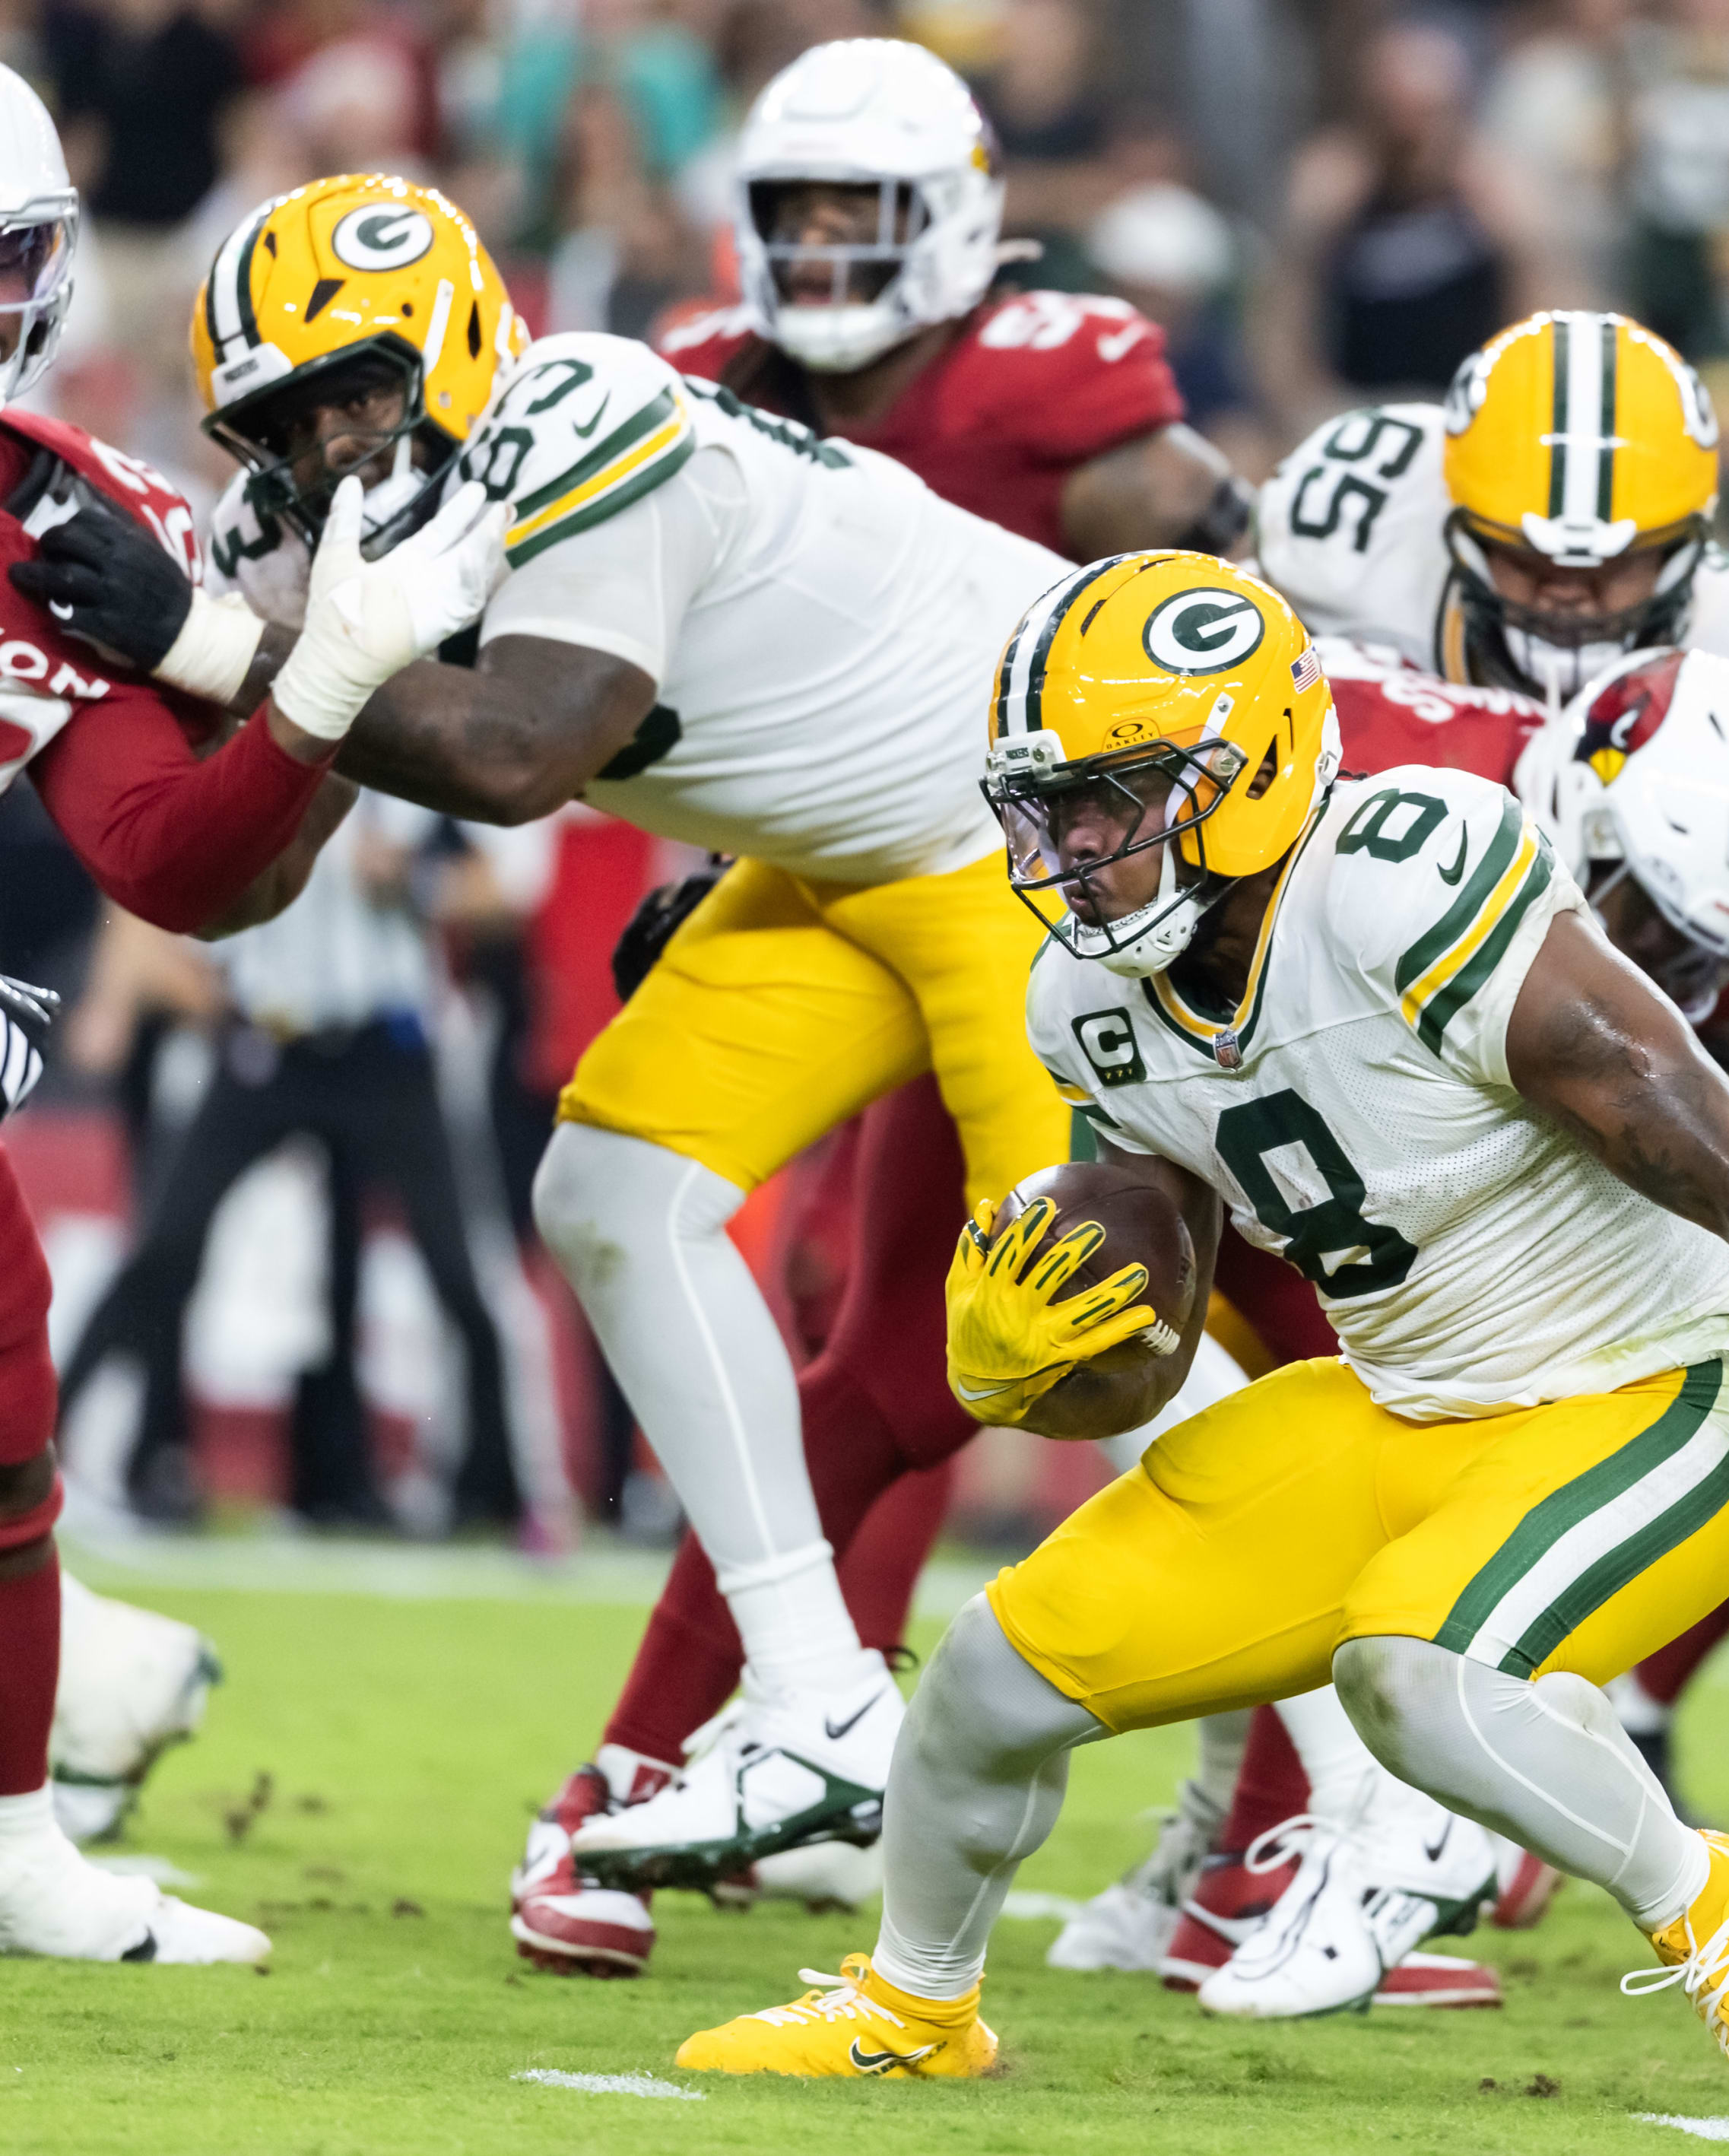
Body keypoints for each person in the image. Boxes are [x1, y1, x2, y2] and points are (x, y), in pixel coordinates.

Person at [671, 552, 1729, 2125]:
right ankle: (912, 2002)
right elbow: (1156, 1324)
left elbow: (1715, 1145)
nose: (1071, 845)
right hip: (1402, 1404)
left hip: (1646, 1393)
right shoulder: (1089, 996)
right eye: (1047, 802)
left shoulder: (1407, 877)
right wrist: (1029, 1354)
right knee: (992, 1675)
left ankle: (1712, 1909)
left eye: (1110, 797)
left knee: (1413, 1678)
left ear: (1243, 777)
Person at [22, 169, 1081, 1894]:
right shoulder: (289, 534)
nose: (329, 445)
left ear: (454, 348)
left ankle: (1337, 1801)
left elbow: (521, 754)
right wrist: (260, 674)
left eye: (357, 389)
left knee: (1104, 1332)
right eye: (282, 421)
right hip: (832, 867)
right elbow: (254, 868)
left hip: (1027, 841)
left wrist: (225, 648)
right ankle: (817, 1706)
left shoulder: (575, 403)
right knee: (607, 1193)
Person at [506, 37, 1249, 1981]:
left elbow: (1203, 597)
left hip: (1050, 899)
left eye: (863, 215)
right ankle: (690, 1747)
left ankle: (1335, 1811)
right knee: (868, 1348)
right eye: (796, 215)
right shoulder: (691, 380)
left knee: (1050, 1336)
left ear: (962, 220)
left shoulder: (1053, 382)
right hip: (844, 877)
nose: (824, 252)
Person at [1242, 310, 1729, 2013]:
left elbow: (1695, 960)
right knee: (1311, 1389)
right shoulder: (1336, 528)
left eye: (1617, 570)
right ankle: (1250, 1825)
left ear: (1695, 537)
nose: (1568, 605)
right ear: (1448, 514)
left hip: (1657, 1005)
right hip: (1379, 982)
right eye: (1528, 570)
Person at [0, 67, 502, 1963]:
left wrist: (325, 692)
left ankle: (17, 1842)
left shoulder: (69, 522)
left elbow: (174, 862)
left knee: (7, 1386)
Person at [55, 793, 521, 1532]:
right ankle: (40, 1443)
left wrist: (418, 881)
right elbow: (148, 886)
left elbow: (502, 893)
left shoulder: (407, 788)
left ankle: (494, 1490)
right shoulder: (251, 771)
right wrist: (146, 995)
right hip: (268, 1042)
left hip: (384, 1049)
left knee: (455, 1268)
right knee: (165, 1245)